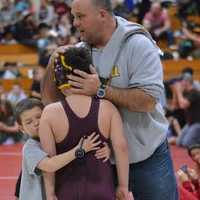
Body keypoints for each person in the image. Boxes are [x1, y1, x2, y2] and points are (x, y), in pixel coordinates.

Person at [44, 0, 178, 199]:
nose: (74, 23)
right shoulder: (78, 51)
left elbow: (148, 101)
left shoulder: (138, 44)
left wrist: (100, 90)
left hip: (146, 156)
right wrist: (52, 63)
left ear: (103, 15)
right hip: (101, 161)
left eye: (80, 16)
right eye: (73, 16)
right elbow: (50, 102)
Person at [40, 46, 129, 200]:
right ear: (90, 72)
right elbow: (121, 148)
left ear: (60, 77)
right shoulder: (108, 108)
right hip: (102, 189)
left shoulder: (49, 113)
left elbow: (49, 160)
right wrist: (123, 186)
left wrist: (50, 193)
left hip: (66, 191)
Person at [15, 98, 110, 200]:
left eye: (39, 117)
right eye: (29, 122)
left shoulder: (57, 139)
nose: (36, 123)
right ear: (22, 129)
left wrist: (106, 149)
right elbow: (50, 165)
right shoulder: (30, 148)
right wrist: (79, 150)